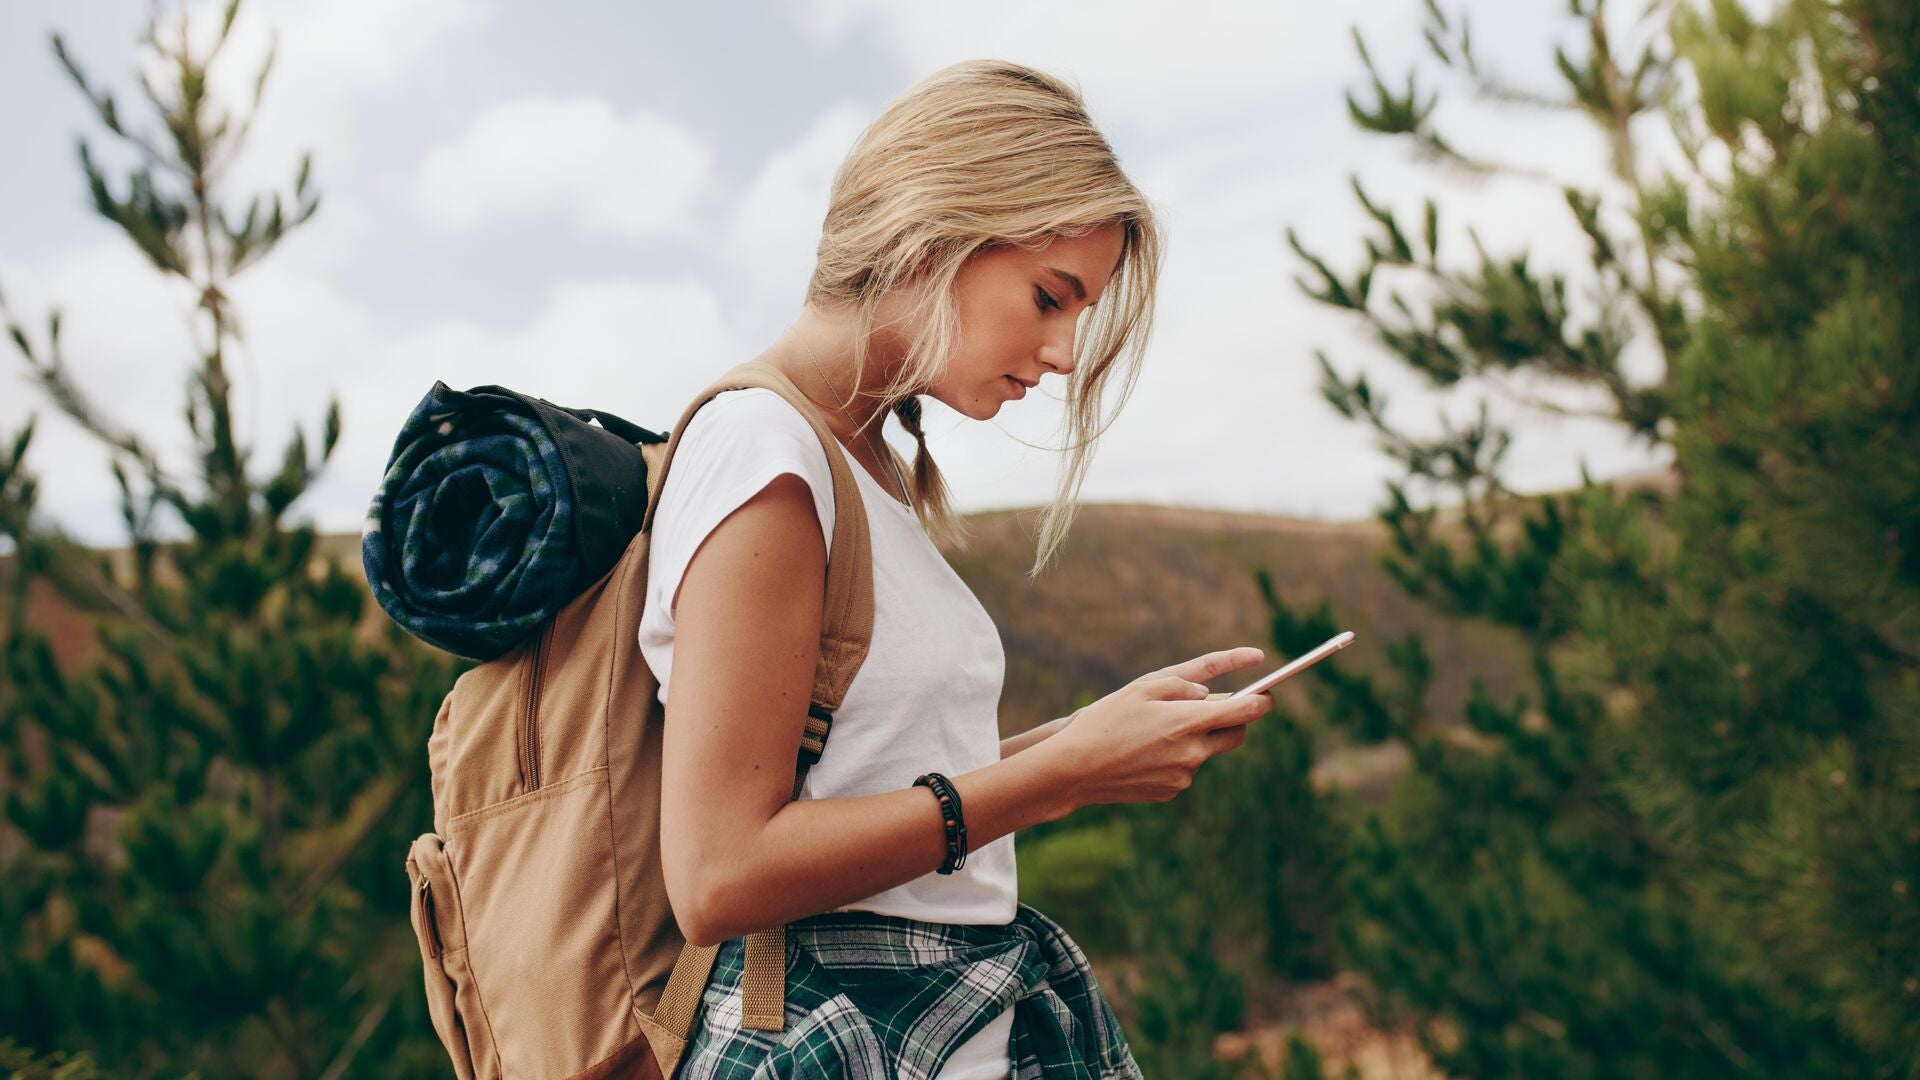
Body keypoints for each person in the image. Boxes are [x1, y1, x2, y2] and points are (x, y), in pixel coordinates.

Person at [638, 58, 1275, 1079]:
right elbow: (719, 874)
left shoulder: (861, 464)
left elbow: (869, 775)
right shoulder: (768, 454)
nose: (1066, 354)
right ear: (932, 236)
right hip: (832, 1041)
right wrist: (1052, 778)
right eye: (1050, 296)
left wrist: (1080, 745)